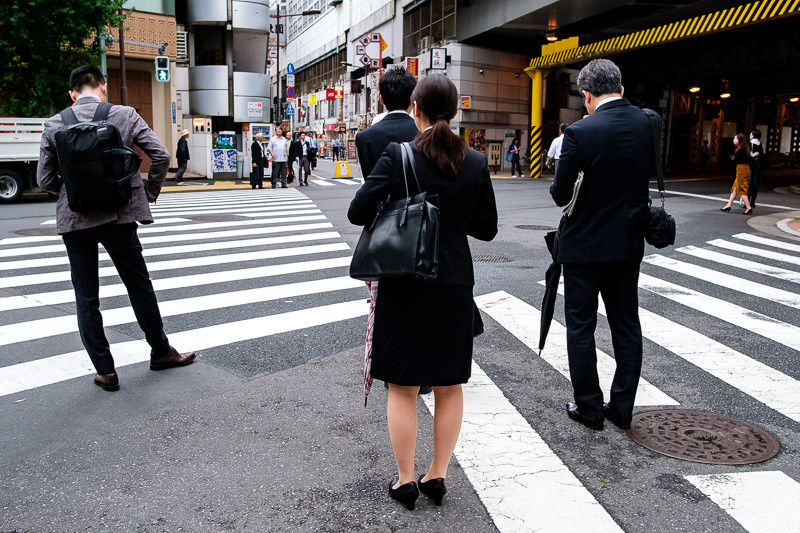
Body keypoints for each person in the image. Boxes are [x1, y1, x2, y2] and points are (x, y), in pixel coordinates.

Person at [348, 73, 498, 511]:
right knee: (450, 384)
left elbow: (359, 211)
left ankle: (406, 480)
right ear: (454, 111)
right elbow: (486, 228)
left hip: (406, 283)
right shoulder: (472, 161)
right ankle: (438, 475)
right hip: (454, 283)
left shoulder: (399, 157)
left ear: (415, 109)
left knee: (403, 386)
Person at [36, 65, 196, 392]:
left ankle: (106, 371)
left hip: (75, 220)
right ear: (103, 88)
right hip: (119, 216)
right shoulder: (124, 115)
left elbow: (44, 180)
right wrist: (146, 193)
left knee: (86, 295)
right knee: (138, 285)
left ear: (72, 93)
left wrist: (71, 193)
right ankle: (160, 351)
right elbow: (161, 156)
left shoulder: (54, 124)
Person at [550, 59, 653, 432]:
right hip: (628, 243)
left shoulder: (580, 132)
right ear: (621, 89)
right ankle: (622, 407)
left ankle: (590, 408)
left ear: (588, 95)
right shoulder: (647, 124)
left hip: (586, 246)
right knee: (626, 324)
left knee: (580, 325)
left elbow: (560, 193)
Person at [356, 66, 419, 179]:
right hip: (417, 196)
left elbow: (368, 178)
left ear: (381, 100)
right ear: (412, 100)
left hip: (379, 196)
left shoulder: (364, 137)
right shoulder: (423, 132)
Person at [720, 133, 753, 215]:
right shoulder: (744, 148)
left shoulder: (741, 150)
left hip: (742, 170)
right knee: (735, 188)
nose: (733, 140)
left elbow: (738, 160)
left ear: (739, 140)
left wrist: (734, 159)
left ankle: (748, 208)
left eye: (735, 138)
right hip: (743, 169)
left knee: (742, 189)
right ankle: (728, 205)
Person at [748, 129, 764, 209]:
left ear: (753, 135)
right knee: (755, 186)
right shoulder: (760, 144)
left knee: (749, 185)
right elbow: (762, 157)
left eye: (751, 134)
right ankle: (753, 203)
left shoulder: (749, 144)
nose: (750, 135)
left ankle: (747, 203)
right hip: (757, 167)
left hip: (750, 167)